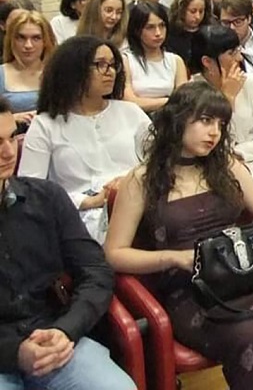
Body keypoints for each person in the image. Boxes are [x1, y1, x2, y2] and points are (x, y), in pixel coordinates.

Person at [104, 82, 253, 389]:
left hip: (247, 276)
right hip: (193, 292)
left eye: (221, 124)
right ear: (178, 120)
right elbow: (114, 253)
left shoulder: (227, 166)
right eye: (205, 121)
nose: (214, 133)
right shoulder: (141, 180)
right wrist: (174, 258)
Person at [0, 96, 137, 390]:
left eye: (11, 138)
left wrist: (66, 329)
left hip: (54, 337)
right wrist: (14, 352)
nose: (9, 152)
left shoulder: (47, 198)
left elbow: (96, 272)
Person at [19, 36, 150, 242]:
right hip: (79, 217)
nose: (110, 71)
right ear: (73, 70)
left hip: (140, 204)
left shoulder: (131, 112)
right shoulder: (46, 124)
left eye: (113, 65)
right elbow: (30, 190)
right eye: (100, 64)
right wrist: (89, 201)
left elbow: (161, 160)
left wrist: (131, 183)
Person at [190, 26, 253, 198]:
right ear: (207, 62)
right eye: (231, 53)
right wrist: (227, 100)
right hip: (217, 169)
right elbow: (208, 150)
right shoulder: (191, 94)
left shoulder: (252, 84)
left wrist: (237, 152)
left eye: (238, 50)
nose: (239, 58)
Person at [121, 2, 187, 113]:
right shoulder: (126, 60)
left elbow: (184, 100)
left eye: (162, 26)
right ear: (137, 30)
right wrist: (168, 101)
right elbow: (130, 102)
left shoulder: (176, 61)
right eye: (150, 27)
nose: (158, 33)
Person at [1, 10, 55, 130]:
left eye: (36, 38)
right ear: (12, 40)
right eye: (21, 38)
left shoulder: (58, 74)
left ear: (45, 41)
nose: (28, 45)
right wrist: (12, 118)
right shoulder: (1, 74)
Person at [164, 0, 209, 70]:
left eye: (201, 11)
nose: (197, 16)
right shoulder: (170, 33)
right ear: (181, 10)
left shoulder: (209, 32)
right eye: (193, 11)